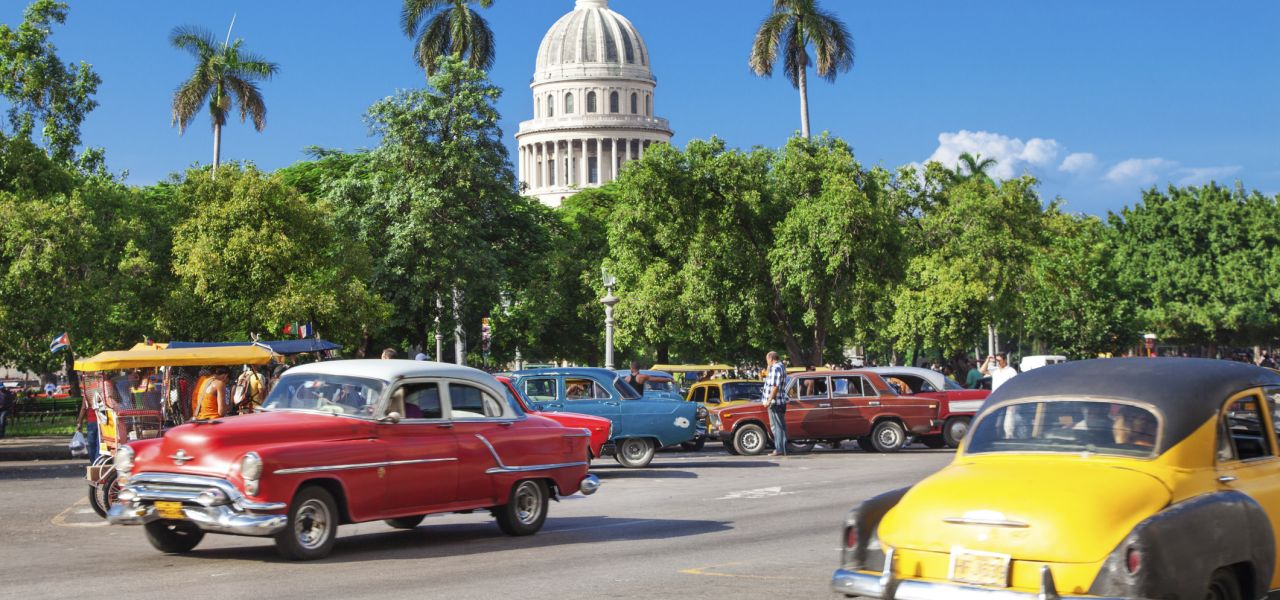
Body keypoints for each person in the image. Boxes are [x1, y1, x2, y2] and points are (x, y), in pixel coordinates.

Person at [762, 351, 790, 457]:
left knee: (777, 426)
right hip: (779, 401)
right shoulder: (780, 366)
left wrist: (769, 400)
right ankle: (782, 448)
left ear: (770, 358)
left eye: (767, 360)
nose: (767, 362)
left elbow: (775, 386)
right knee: (779, 426)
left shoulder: (776, 368)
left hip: (776, 402)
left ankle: (779, 449)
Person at [74, 389, 99, 463]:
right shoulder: (102, 391)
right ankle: (98, 463)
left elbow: (83, 408)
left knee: (92, 444)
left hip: (91, 422)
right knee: (99, 444)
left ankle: (93, 462)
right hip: (102, 421)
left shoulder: (88, 393)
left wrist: (79, 421)